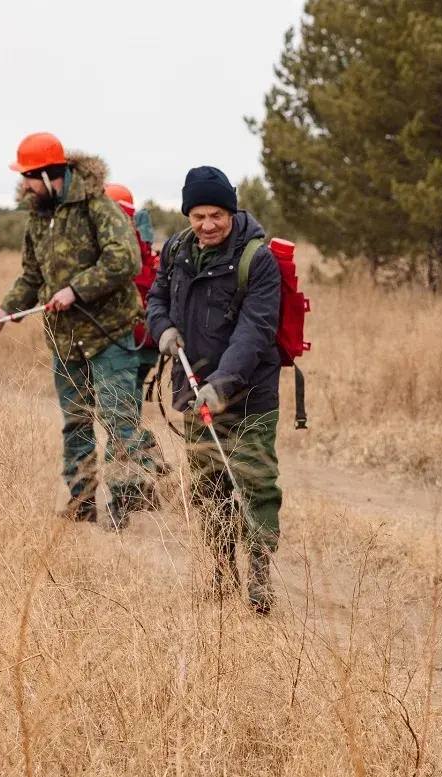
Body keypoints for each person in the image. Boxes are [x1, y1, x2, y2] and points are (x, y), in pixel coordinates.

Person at [0, 132, 155, 529]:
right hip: (64, 340)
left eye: (27, 177)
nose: (23, 185)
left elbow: (125, 259)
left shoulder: (97, 205)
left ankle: (123, 505)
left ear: (47, 172)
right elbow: (30, 277)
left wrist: (77, 290)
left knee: (118, 420)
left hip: (109, 335)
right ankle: (82, 502)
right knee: (76, 421)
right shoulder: (38, 217)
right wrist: (5, 311)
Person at [146, 166, 283, 614]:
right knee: (208, 486)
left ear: (232, 210)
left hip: (250, 393)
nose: (207, 225)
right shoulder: (176, 250)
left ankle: (259, 574)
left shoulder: (257, 260)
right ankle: (221, 571)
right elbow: (157, 298)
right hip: (190, 387)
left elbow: (255, 331)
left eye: (217, 215)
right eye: (199, 215)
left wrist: (220, 385)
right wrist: (162, 328)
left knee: (255, 482)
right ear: (188, 214)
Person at [104, 182, 167, 473]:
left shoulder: (114, 249)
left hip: (122, 348)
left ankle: (140, 465)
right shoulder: (144, 248)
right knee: (126, 415)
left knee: (119, 422)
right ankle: (140, 478)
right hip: (147, 349)